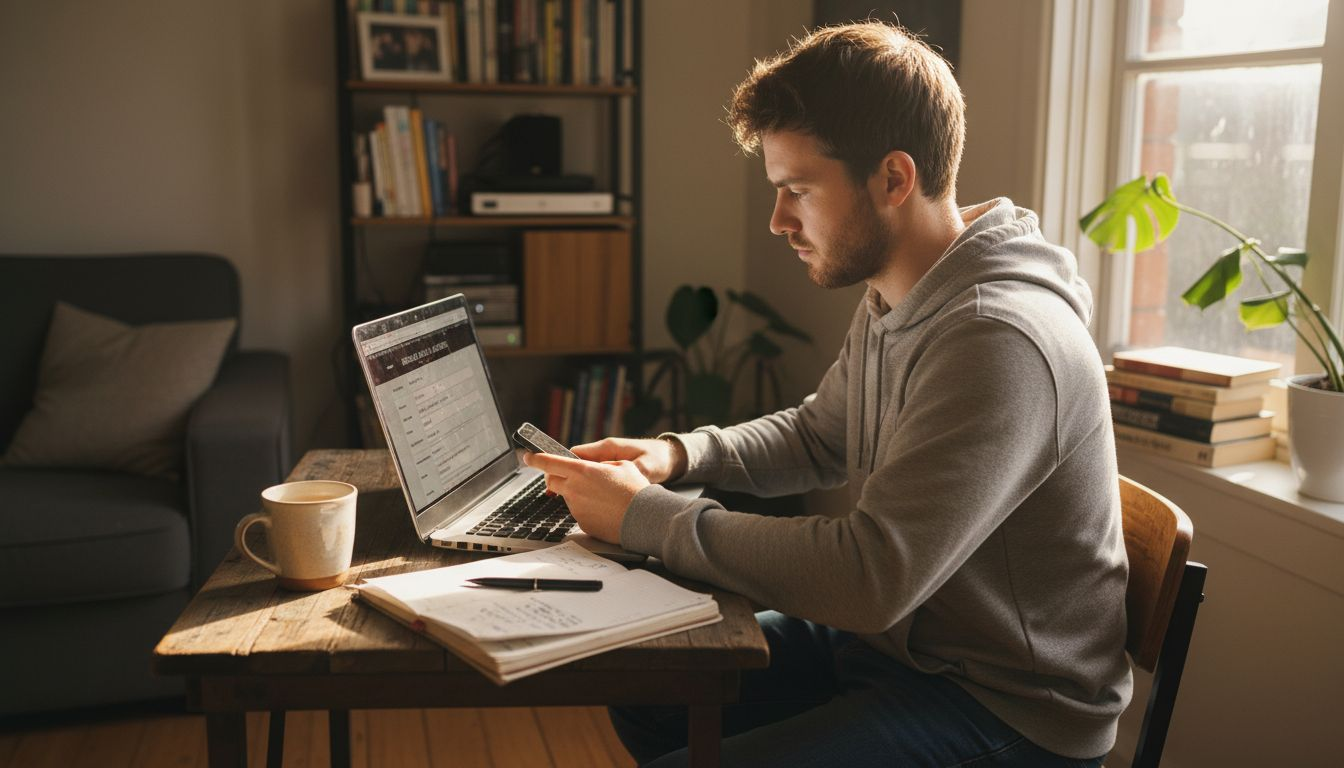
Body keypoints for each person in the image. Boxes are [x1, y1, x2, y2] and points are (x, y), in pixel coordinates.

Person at [523, 20, 1131, 767]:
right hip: (901, 648)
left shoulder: (998, 340)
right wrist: (674, 457)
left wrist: (645, 516)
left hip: (1003, 708)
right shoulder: (904, 289)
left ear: (894, 179)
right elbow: (821, 435)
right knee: (650, 684)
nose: (779, 221)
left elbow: (872, 575)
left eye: (798, 191)